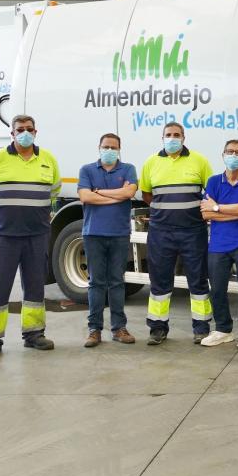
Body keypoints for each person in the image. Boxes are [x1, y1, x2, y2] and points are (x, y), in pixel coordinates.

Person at [0, 115, 61, 358]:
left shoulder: (47, 159)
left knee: (35, 285)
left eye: (29, 129)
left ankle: (34, 334)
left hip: (37, 234)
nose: (25, 133)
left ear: (36, 132)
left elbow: (54, 191)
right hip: (4, 235)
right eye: (20, 129)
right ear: (12, 134)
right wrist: (2, 212)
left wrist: (35, 211)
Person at [138, 122, 213, 346]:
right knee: (160, 282)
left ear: (184, 137)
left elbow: (209, 193)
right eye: (168, 135)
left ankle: (201, 328)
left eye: (176, 135)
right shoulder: (151, 162)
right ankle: (157, 329)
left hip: (193, 231)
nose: (172, 138)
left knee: (198, 281)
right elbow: (147, 195)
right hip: (161, 232)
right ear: (162, 138)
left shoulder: (199, 161)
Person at [77, 133, 138, 347]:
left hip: (119, 234)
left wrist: (100, 192)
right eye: (106, 147)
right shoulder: (86, 170)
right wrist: (117, 195)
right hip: (93, 233)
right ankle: (94, 329)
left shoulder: (128, 169)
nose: (109, 150)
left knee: (117, 282)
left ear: (119, 149)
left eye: (113, 147)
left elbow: (129, 193)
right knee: (96, 282)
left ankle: (119, 328)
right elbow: (85, 197)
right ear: (99, 148)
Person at [200, 139, 238, 350]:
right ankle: (223, 330)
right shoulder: (214, 181)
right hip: (218, 244)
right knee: (217, 289)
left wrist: (217, 208)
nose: (233, 155)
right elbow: (205, 213)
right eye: (230, 151)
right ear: (222, 154)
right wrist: (223, 211)